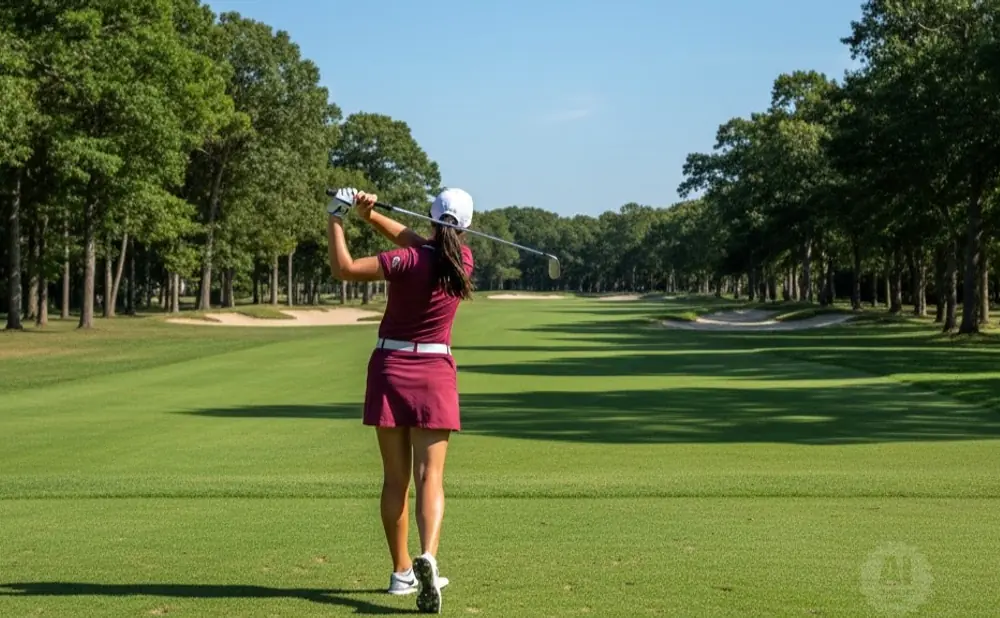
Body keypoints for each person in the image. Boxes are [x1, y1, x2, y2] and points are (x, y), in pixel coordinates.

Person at [326, 187, 475, 614]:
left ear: (430, 218)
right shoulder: (461, 262)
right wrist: (369, 215)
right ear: (465, 227)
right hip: (435, 374)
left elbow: (345, 268)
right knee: (431, 478)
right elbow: (415, 240)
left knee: (396, 481)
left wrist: (337, 217)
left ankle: (401, 572)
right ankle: (428, 555)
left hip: (391, 368)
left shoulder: (407, 260)